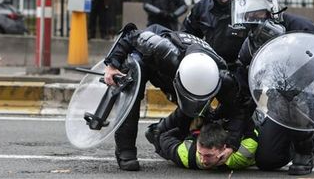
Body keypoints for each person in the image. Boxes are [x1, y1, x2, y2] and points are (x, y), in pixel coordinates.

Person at [103, 23, 246, 171]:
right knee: (132, 84)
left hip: (186, 75)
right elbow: (130, 34)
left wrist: (231, 146)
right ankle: (125, 151)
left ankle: (163, 131)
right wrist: (112, 65)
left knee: (200, 112)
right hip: (150, 61)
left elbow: (238, 111)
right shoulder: (162, 51)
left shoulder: (223, 78)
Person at [231, 0, 314, 176]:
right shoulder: (250, 43)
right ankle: (291, 139)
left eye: (258, 14)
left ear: (271, 10)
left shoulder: (300, 27)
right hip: (278, 102)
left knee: (287, 95)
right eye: (249, 15)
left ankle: (306, 148)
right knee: (268, 160)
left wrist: (293, 82)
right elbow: (242, 87)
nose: (253, 19)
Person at [182, 0, 246, 65]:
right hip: (209, 65)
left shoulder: (246, 6)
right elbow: (186, 35)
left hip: (240, 66)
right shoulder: (201, 7)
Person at [151, 111, 257, 170]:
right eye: (201, 154)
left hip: (199, 133)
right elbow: (249, 128)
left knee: (153, 134)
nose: (203, 160)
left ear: (224, 148)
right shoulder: (188, 153)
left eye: (208, 156)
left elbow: (164, 136)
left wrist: (189, 132)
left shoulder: (186, 155)